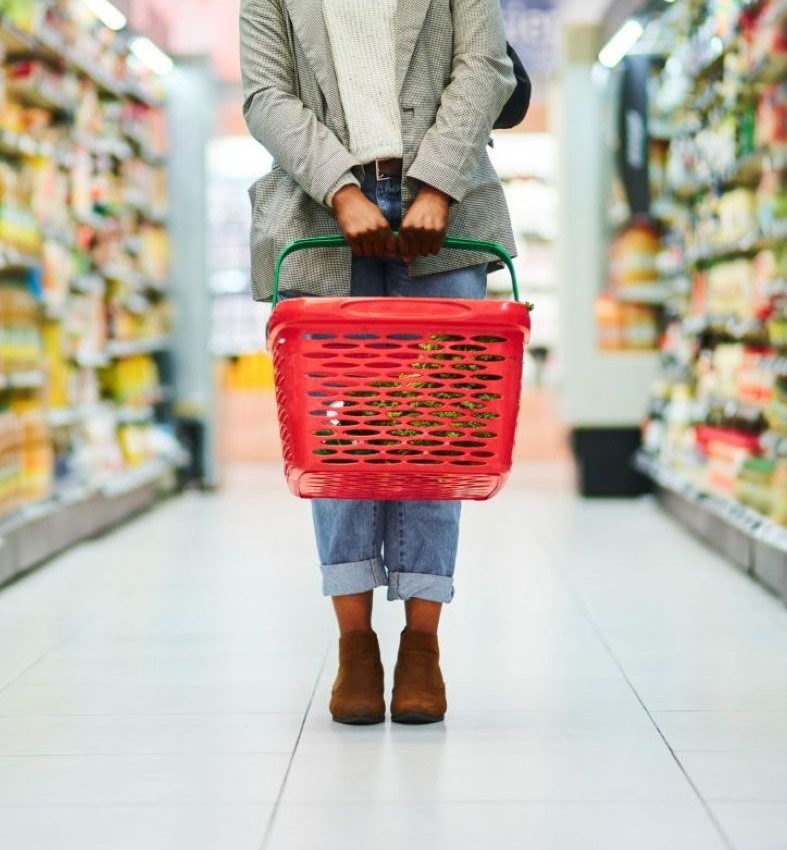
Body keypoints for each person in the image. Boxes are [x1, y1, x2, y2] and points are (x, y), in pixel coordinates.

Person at [240, 0, 517, 725]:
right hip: (317, 210)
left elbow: (484, 66)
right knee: (338, 438)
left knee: (437, 433)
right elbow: (266, 95)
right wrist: (339, 186)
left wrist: (439, 183)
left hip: (447, 211)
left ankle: (422, 644)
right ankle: (355, 644)